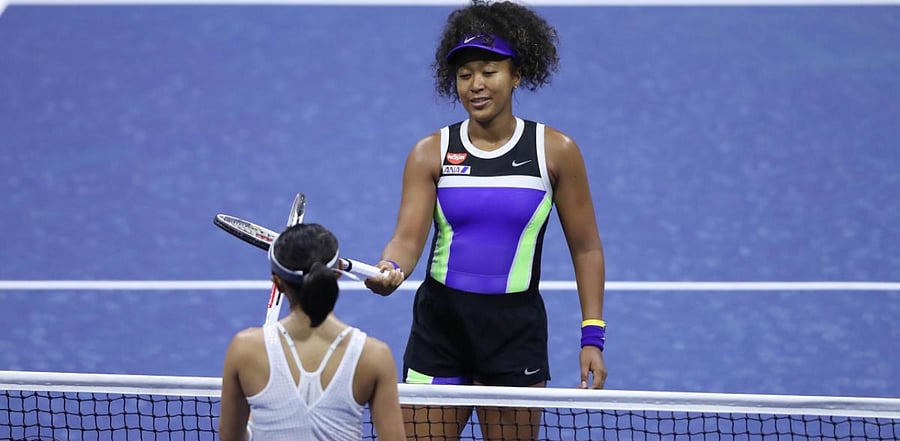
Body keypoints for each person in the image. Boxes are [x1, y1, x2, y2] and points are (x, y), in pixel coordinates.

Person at [364, 1, 607, 439]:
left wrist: (593, 336)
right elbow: (406, 238)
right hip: (439, 329)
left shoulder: (555, 151)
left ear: (516, 74)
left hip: (515, 332)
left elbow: (586, 248)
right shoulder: (430, 152)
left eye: (489, 70)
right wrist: (391, 268)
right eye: (465, 73)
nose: (476, 84)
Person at [219, 223, 406, 441]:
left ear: (277, 283)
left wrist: (255, 424)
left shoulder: (245, 349)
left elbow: (230, 437)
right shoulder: (374, 355)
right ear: (336, 275)